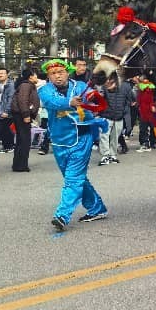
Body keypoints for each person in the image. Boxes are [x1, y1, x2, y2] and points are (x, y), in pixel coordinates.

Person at [38, 59, 108, 231]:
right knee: (76, 179)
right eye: (53, 74)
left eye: (60, 72)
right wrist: (70, 103)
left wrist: (94, 97)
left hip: (81, 138)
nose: (57, 76)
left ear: (67, 72)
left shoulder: (80, 86)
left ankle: (62, 215)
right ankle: (97, 208)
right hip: (59, 141)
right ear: (49, 76)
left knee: (73, 179)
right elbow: (51, 102)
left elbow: (96, 101)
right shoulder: (44, 89)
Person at [97, 72, 133, 165]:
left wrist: (123, 110)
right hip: (108, 116)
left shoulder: (125, 86)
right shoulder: (105, 86)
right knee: (106, 136)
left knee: (113, 136)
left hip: (116, 116)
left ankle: (111, 155)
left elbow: (130, 100)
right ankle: (107, 155)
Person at [10, 67, 39, 172]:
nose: (37, 77)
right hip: (22, 116)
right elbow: (23, 100)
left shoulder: (28, 85)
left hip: (22, 115)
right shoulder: (26, 85)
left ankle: (18, 165)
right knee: (24, 140)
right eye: (36, 75)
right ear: (31, 77)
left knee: (21, 140)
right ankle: (21, 165)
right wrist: (26, 115)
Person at [0, 65, 15, 153]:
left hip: (5, 111)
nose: (0, 75)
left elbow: (11, 99)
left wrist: (6, 111)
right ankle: (7, 145)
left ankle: (9, 146)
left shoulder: (10, 85)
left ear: (7, 74)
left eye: (2, 73)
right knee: (1, 129)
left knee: (4, 129)